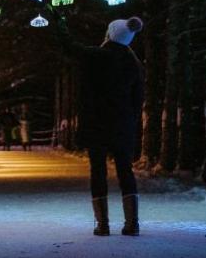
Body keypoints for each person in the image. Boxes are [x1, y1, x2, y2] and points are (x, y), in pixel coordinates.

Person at [58, 16, 144, 236]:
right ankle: (132, 223)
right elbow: (137, 99)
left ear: (110, 34)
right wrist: (131, 122)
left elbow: (69, 47)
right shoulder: (132, 63)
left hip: (96, 123)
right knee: (125, 170)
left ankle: (102, 224)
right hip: (123, 124)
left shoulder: (97, 56)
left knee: (98, 170)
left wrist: (60, 22)